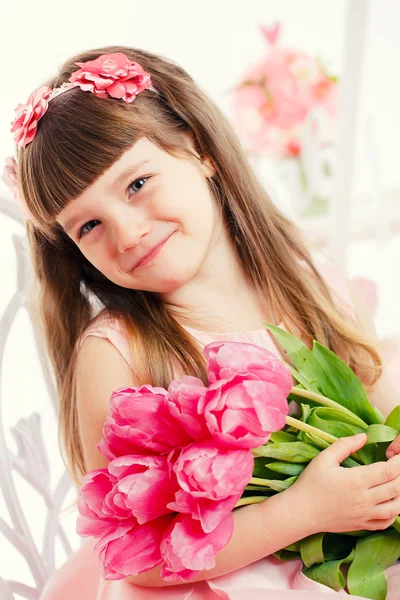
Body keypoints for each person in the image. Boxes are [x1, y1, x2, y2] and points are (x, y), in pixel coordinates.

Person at [3, 45, 400, 600]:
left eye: (137, 184)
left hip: (345, 555)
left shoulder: (312, 281)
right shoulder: (119, 353)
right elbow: (134, 555)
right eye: (89, 225)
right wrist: (302, 512)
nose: (128, 233)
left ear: (200, 148)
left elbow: (373, 398)